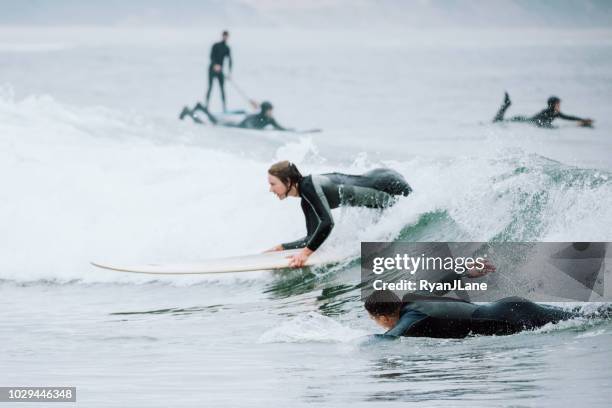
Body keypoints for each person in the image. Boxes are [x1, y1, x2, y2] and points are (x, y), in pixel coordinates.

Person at [265, 161, 412, 267]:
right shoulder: (306, 199)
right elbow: (311, 238)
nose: (271, 189)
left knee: (416, 210)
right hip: (379, 188)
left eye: (273, 184)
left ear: (288, 181)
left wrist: (304, 254)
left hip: (388, 183)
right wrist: (283, 247)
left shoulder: (309, 186)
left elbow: (327, 223)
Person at [365, 289, 577, 339]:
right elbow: (442, 282)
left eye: (375, 321)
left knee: (590, 320)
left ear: (383, 318)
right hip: (509, 307)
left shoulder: (411, 319)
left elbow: (387, 339)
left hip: (509, 317)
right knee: (587, 316)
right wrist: (467, 272)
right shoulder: (414, 297)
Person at [493, 92, 593, 128]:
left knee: (498, 120)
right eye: (558, 104)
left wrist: (582, 120)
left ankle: (506, 104)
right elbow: (538, 122)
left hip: (524, 119)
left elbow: (568, 117)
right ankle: (506, 104)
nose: (559, 106)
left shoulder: (555, 113)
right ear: (553, 104)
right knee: (497, 121)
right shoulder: (547, 112)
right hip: (523, 121)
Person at [180, 101, 289, 131]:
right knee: (210, 124)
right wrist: (253, 128)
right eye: (269, 110)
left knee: (212, 121)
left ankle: (201, 108)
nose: (271, 113)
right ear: (265, 110)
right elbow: (247, 123)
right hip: (232, 126)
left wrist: (292, 130)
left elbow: (279, 127)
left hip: (234, 125)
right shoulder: (256, 117)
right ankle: (189, 112)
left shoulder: (270, 119)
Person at [205, 30, 232, 112]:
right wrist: (215, 65)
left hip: (220, 71)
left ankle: (224, 108)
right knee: (210, 87)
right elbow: (211, 56)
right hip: (212, 70)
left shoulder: (227, 48)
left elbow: (230, 60)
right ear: (222, 36)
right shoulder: (216, 45)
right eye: (224, 35)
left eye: (226, 36)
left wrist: (229, 73)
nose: (225, 37)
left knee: (222, 89)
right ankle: (206, 106)